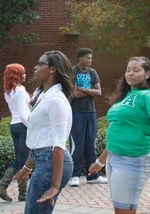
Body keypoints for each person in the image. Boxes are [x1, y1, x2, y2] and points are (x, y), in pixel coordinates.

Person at [89, 56, 150, 214]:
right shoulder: (125, 96)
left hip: (133, 159)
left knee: (123, 210)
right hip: (114, 158)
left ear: (147, 74)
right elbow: (117, 133)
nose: (130, 73)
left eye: (136, 70)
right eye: (128, 70)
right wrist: (100, 162)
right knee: (121, 209)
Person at [13, 50, 74, 214]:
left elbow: (58, 145)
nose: (35, 67)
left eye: (40, 64)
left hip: (50, 163)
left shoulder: (56, 100)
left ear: (53, 69)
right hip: (44, 161)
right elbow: (40, 139)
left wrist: (55, 185)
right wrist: (27, 167)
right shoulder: (44, 96)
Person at [69, 48, 107, 187]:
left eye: (91, 58)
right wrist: (90, 92)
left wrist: (83, 89)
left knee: (90, 143)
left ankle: (93, 175)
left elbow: (99, 92)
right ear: (80, 58)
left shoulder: (93, 72)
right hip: (76, 112)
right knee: (77, 144)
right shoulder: (72, 71)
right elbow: (73, 94)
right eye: (87, 58)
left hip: (91, 112)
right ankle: (74, 175)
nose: (90, 60)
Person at [0, 64, 30, 202]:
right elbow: (22, 113)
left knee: (20, 159)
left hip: (14, 126)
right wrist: (31, 126)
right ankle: (22, 194)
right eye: (23, 73)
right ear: (17, 75)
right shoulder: (20, 91)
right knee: (25, 160)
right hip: (23, 125)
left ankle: (2, 188)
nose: (25, 75)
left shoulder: (9, 91)